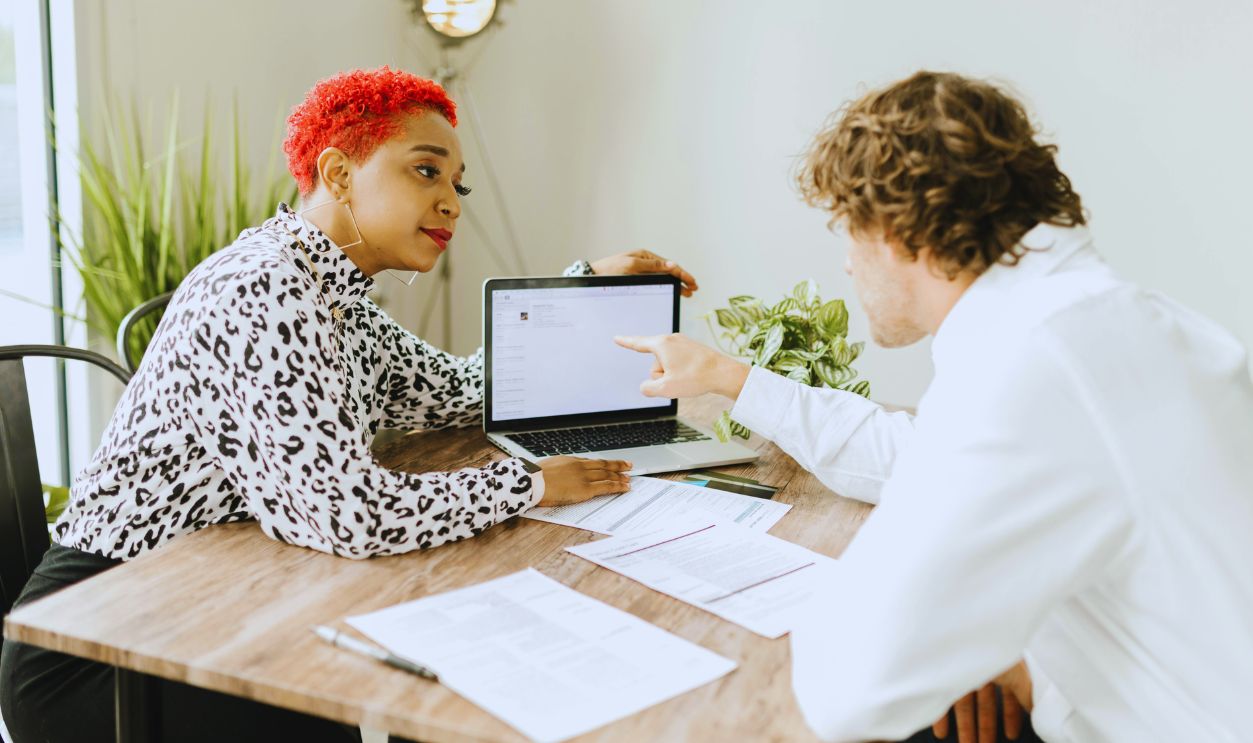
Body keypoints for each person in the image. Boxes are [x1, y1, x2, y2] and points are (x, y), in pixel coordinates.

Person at [0, 66, 699, 742]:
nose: (453, 200)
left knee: (429, 674)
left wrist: (583, 282)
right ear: (338, 175)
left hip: (218, 602)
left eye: (458, 183)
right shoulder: (263, 287)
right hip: (102, 651)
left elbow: (458, 392)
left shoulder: (333, 293)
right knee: (388, 696)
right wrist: (530, 483)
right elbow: (346, 513)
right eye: (426, 170)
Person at [615, 70, 1253, 742]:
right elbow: (909, 457)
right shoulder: (1098, 321)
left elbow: (849, 688)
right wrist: (729, 375)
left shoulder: (1032, 364)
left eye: (846, 230)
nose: (846, 265)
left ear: (895, 232)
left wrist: (987, 650)